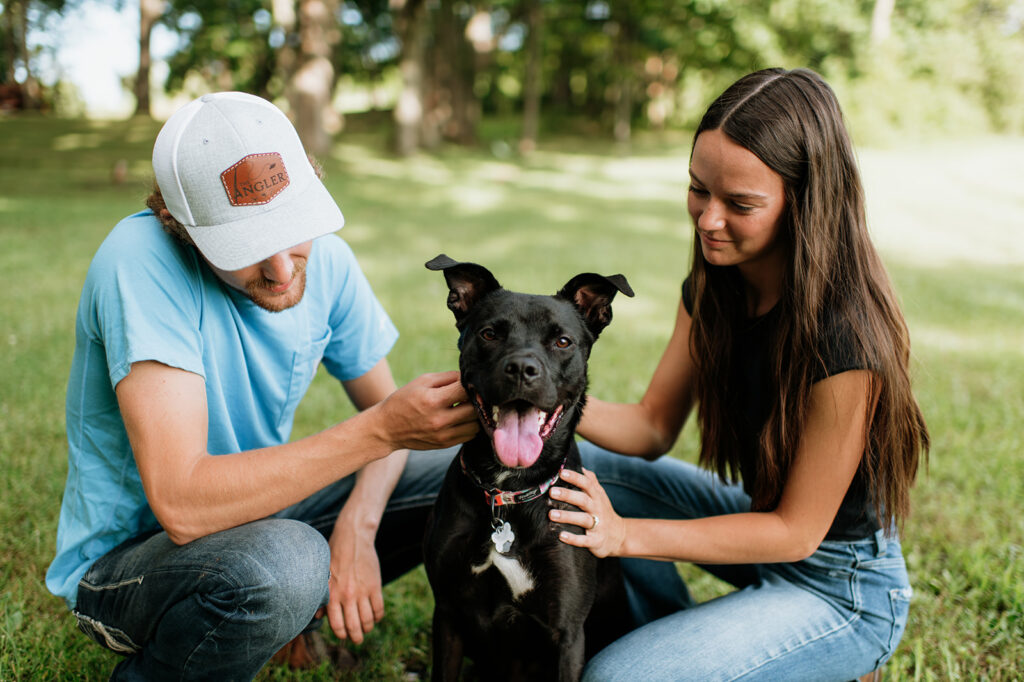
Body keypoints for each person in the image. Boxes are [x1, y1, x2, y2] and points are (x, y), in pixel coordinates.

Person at [45, 91, 478, 680]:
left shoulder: (326, 262)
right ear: (180, 227)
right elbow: (183, 504)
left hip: (260, 518)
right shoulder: (138, 261)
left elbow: (390, 418)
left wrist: (358, 526)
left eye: (291, 230)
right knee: (286, 563)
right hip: (133, 563)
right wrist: (378, 432)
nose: (280, 269)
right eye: (246, 249)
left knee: (474, 462)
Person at [547, 68, 930, 680]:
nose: (707, 220)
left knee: (618, 679)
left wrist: (624, 535)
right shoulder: (712, 286)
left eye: (740, 204)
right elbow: (651, 428)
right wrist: (542, 398)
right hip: (763, 529)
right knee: (588, 476)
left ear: (804, 203)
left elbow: (795, 534)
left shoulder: (848, 337)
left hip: (840, 584)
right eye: (699, 189)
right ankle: (669, 629)